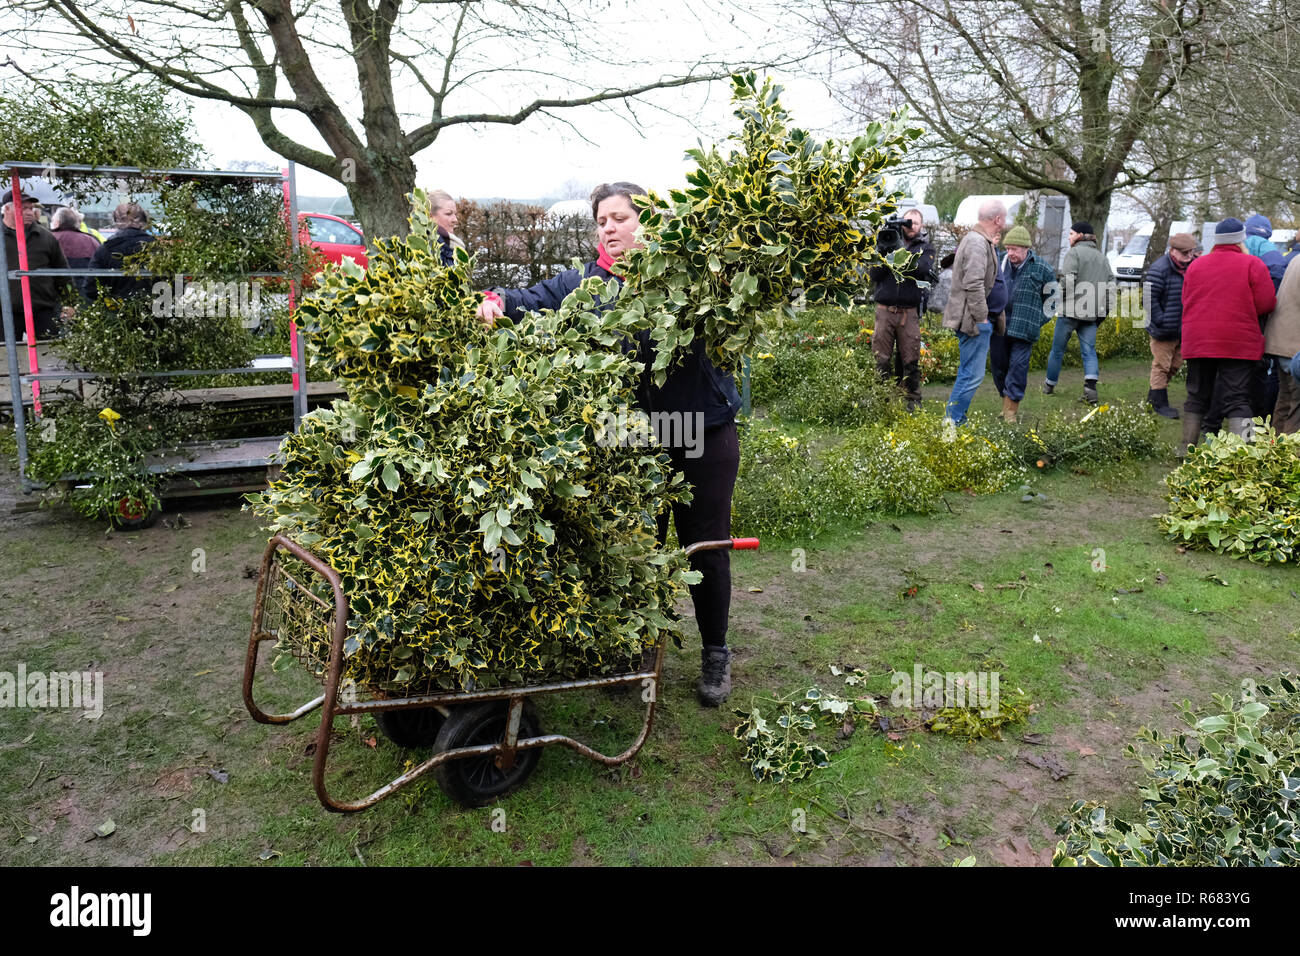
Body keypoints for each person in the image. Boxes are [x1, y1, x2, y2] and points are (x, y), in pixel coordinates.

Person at [476, 182, 744, 707]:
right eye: (602, 221)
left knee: (705, 545)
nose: (609, 228)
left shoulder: (690, 274)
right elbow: (532, 299)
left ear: (647, 222)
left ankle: (715, 652)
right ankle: (636, 647)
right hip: (633, 435)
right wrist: (496, 299)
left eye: (620, 218)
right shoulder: (586, 283)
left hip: (701, 428)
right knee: (635, 546)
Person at [1179, 217, 1276, 451]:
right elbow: (1266, 303)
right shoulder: (1253, 264)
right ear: (1241, 239)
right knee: (1239, 397)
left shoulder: (1196, 265)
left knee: (1197, 395)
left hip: (1198, 341)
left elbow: (1186, 300)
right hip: (1239, 343)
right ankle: (1240, 452)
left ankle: (1186, 448)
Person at [942, 198, 1006, 425]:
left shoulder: (981, 241)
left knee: (969, 374)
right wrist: (982, 319)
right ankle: (952, 423)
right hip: (975, 322)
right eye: (1004, 218)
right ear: (997, 219)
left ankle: (956, 420)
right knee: (971, 375)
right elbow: (974, 283)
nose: (1004, 223)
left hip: (979, 320)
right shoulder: (978, 243)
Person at [869, 208, 934, 411]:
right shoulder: (884, 243)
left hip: (909, 312)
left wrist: (896, 254)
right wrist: (885, 250)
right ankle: (882, 399)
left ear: (921, 225)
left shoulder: (925, 248)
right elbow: (874, 274)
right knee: (881, 358)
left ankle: (912, 400)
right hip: (885, 310)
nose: (910, 226)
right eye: (907, 222)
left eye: (915, 222)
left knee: (910, 358)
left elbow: (921, 268)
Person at [990, 225, 1056, 422]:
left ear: (1026, 249)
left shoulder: (1042, 267)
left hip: (1024, 329)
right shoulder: (998, 263)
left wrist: (1037, 320)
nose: (1010, 253)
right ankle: (1005, 403)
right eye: (1008, 248)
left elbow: (1053, 301)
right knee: (998, 367)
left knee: (1017, 368)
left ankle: (1011, 411)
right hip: (999, 326)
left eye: (1015, 249)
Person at [1042, 221, 1113, 403]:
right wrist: (1104, 311)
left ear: (1081, 235)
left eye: (1071, 233)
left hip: (1070, 311)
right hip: (1091, 313)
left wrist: (1057, 298)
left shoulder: (1073, 253)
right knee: (1089, 351)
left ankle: (1049, 385)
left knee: (1057, 351)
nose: (1069, 237)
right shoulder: (1102, 258)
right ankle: (1090, 388)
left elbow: (1068, 280)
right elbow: (1110, 287)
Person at [1141, 233, 1198, 419]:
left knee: (1175, 365)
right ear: (1172, 251)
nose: (1189, 256)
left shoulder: (1194, 266)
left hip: (1184, 328)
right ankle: (1160, 403)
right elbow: (1148, 299)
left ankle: (1152, 398)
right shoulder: (1159, 269)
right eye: (1184, 253)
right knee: (1161, 366)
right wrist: (1161, 320)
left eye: (1191, 252)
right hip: (1163, 329)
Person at [3, 188, 69, 341]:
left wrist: (69, 302)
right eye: (23, 208)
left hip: (42, 309)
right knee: (5, 356)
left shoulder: (45, 237)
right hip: (5, 312)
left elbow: (62, 273)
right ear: (7, 209)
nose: (29, 212)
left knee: (48, 353)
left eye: (31, 208)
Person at [81, 203, 156, 302]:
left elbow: (91, 288)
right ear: (144, 220)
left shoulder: (106, 249)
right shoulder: (156, 246)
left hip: (117, 310)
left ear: (116, 221)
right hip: (155, 308)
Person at [1264, 253, 1300, 433]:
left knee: (1285, 402)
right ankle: (1291, 455)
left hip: (1282, 341)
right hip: (1295, 345)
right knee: (1296, 407)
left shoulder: (1295, 259)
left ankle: (1275, 450)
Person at [429, 190, 465, 268]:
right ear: (430, 216)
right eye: (448, 214)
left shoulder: (449, 244)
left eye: (455, 214)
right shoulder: (430, 249)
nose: (455, 220)